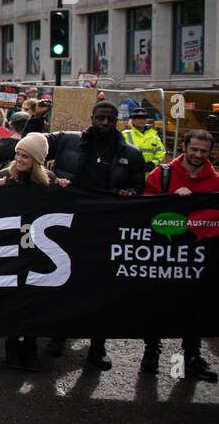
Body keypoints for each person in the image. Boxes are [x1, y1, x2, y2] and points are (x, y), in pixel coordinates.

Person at [41, 100, 145, 369]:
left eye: (111, 119)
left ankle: (98, 347)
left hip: (107, 228)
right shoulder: (70, 142)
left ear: (117, 121)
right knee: (66, 281)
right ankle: (58, 335)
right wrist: (37, 117)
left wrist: (130, 193)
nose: (105, 123)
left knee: (101, 288)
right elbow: (34, 146)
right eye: (100, 118)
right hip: (73, 225)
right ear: (92, 117)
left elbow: (138, 186)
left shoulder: (131, 154)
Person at [139, 129, 219, 382]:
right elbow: (144, 206)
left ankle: (191, 355)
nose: (198, 155)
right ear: (185, 148)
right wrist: (170, 200)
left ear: (210, 153)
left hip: (198, 256)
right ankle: (151, 351)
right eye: (194, 150)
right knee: (157, 302)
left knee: (195, 304)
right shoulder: (163, 175)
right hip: (164, 253)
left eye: (204, 151)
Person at [0, 132, 56, 369]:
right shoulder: (3, 176)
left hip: (36, 248)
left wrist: (63, 187)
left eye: (25, 155)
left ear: (36, 159)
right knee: (12, 297)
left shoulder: (48, 180)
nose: (19, 159)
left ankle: (30, 347)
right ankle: (11, 347)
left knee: (34, 299)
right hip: (9, 247)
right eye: (18, 154)